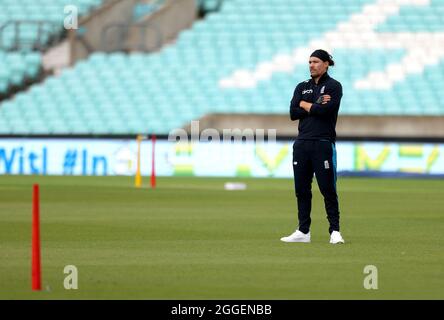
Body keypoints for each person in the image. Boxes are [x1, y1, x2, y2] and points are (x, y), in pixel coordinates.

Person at [280, 49, 345, 244]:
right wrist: (313, 105)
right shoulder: (302, 86)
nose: (311, 65)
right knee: (301, 189)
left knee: (327, 189)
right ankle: (303, 231)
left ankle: (335, 231)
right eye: (310, 62)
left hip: (323, 143)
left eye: (316, 61)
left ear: (326, 64)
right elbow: (293, 112)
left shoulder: (334, 86)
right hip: (301, 144)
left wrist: (306, 105)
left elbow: (326, 111)